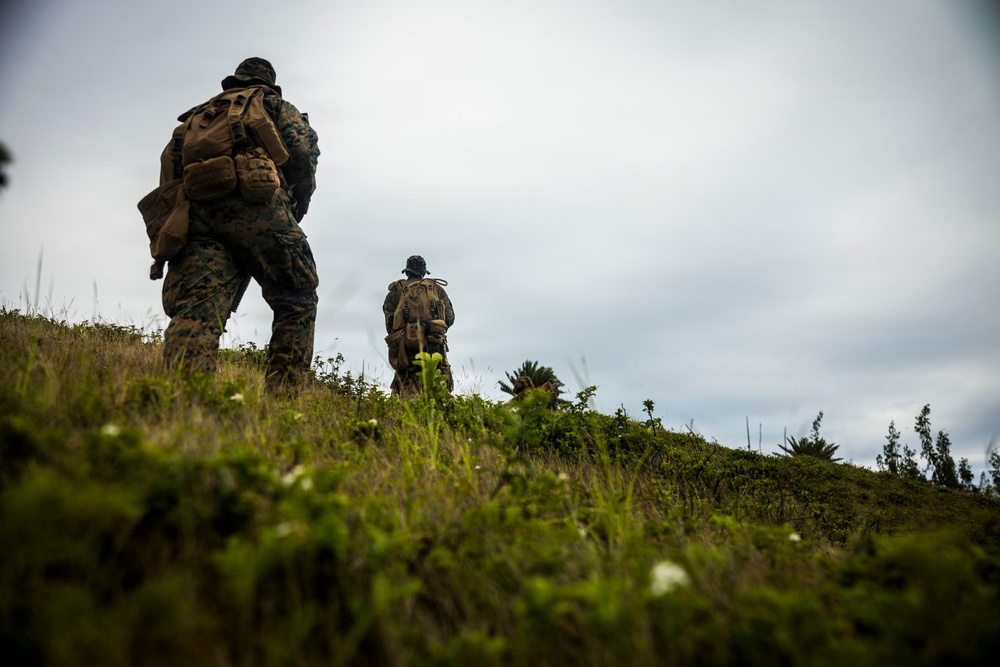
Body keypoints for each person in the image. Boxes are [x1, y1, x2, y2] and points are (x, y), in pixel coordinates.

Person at [152, 57, 320, 390]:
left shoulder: (193, 119)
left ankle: (185, 397)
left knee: (197, 307)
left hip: (198, 215)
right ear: (268, 82)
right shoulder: (272, 104)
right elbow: (302, 154)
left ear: (234, 81)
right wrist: (299, 203)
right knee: (296, 294)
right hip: (259, 207)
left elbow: (168, 178)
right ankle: (284, 402)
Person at [382, 255, 455, 396]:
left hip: (406, 346)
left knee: (406, 386)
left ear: (407, 272)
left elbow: (390, 324)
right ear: (423, 272)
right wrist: (431, 327)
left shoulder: (396, 291)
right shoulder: (436, 289)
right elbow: (450, 318)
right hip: (434, 344)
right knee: (436, 384)